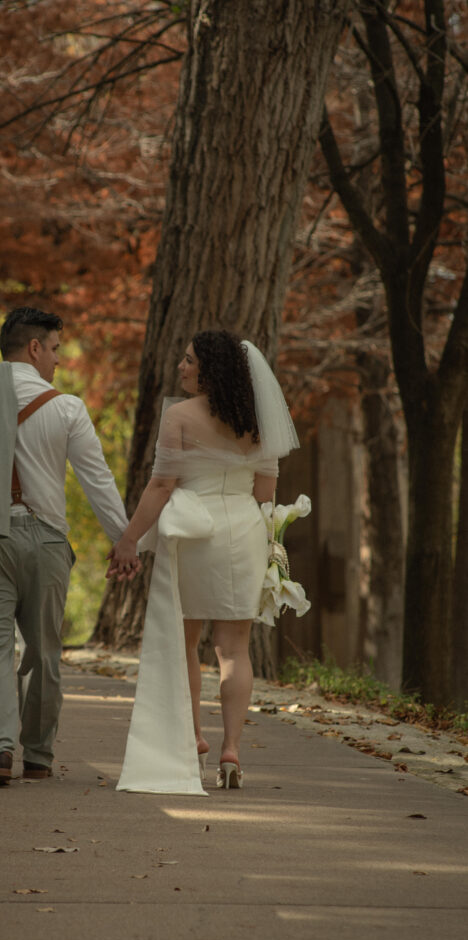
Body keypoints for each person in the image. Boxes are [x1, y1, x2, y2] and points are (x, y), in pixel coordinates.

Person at [107, 330, 298, 793]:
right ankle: (231, 748)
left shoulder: (179, 416)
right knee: (234, 649)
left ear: (210, 369)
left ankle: (194, 736)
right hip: (244, 534)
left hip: (193, 534)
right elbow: (265, 493)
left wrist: (129, 539)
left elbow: (161, 486)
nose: (181, 367)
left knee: (186, 641)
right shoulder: (259, 420)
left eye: (189, 360)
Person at [0, 307, 129, 787]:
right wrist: (125, 541)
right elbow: (98, 481)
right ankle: (37, 756)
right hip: (47, 541)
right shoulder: (66, 407)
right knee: (44, 651)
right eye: (54, 349)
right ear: (33, 348)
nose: (57, 360)